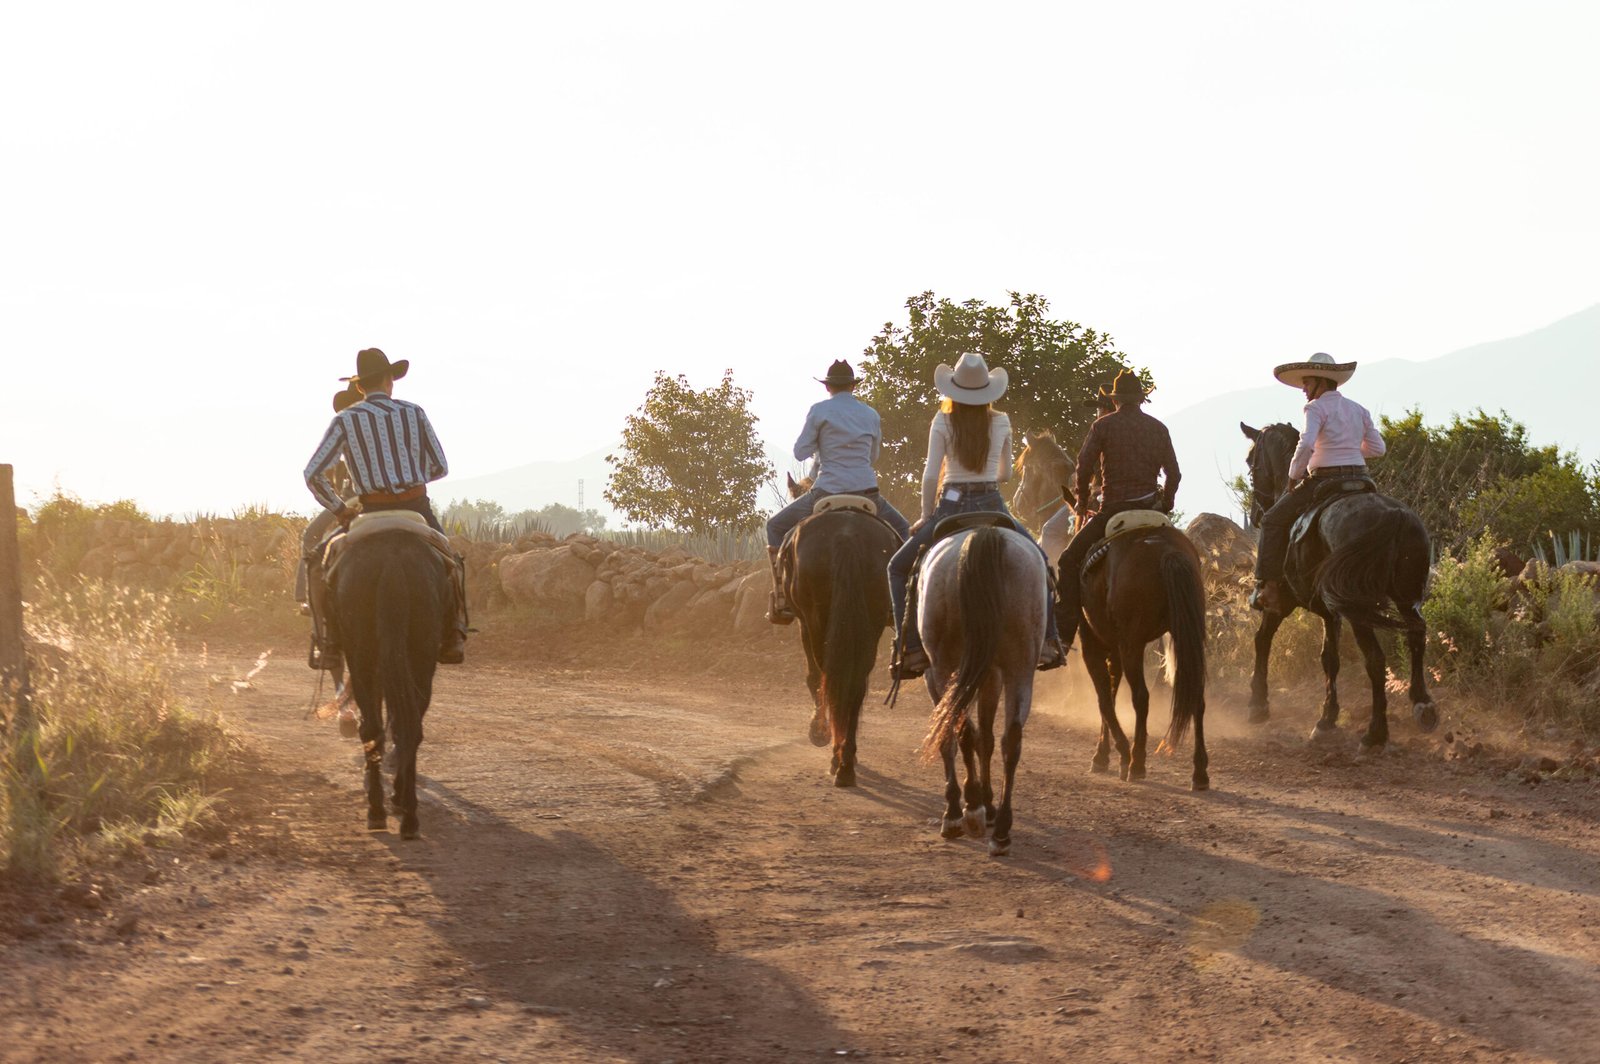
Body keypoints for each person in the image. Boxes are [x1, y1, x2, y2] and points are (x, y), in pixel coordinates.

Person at [887, 353, 1065, 679]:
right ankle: (1048, 641)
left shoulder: (941, 420)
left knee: (897, 568)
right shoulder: (1002, 421)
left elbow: (930, 476)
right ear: (987, 391)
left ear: (953, 389)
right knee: (1041, 563)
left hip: (950, 504)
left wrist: (927, 516)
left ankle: (910, 647)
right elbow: (1007, 473)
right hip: (992, 502)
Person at [303, 348, 468, 664]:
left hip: (369, 510)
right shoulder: (414, 412)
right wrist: (412, 476)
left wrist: (340, 509)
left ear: (361, 386)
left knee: (317, 564)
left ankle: (329, 643)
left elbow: (313, 474)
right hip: (417, 508)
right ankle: (452, 635)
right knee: (452, 563)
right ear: (390, 380)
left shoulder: (345, 419)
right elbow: (441, 467)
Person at [765, 359, 912, 623]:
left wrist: (821, 445)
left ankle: (781, 596)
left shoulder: (819, 411)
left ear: (828, 387)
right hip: (868, 493)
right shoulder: (871, 414)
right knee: (903, 529)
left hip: (825, 492)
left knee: (775, 527)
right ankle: (901, 599)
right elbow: (873, 456)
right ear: (854, 386)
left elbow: (800, 453)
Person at [1055, 369, 1182, 653]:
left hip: (1113, 512)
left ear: (1115, 401)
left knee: (1067, 560)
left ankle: (1063, 635)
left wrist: (1083, 503)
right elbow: (1174, 475)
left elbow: (1084, 467)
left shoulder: (1103, 427)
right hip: (1152, 511)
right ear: (1140, 400)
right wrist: (1165, 504)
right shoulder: (1158, 428)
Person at [1251, 352, 1385, 613]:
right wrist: (1349, 449)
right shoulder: (1359, 409)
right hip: (1361, 479)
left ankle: (1267, 587)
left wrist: (1292, 476)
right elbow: (1378, 448)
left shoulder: (1314, 408)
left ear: (1322, 382)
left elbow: (1306, 444)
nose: (1303, 388)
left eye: (1307, 382)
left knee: (1272, 520)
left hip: (1324, 480)